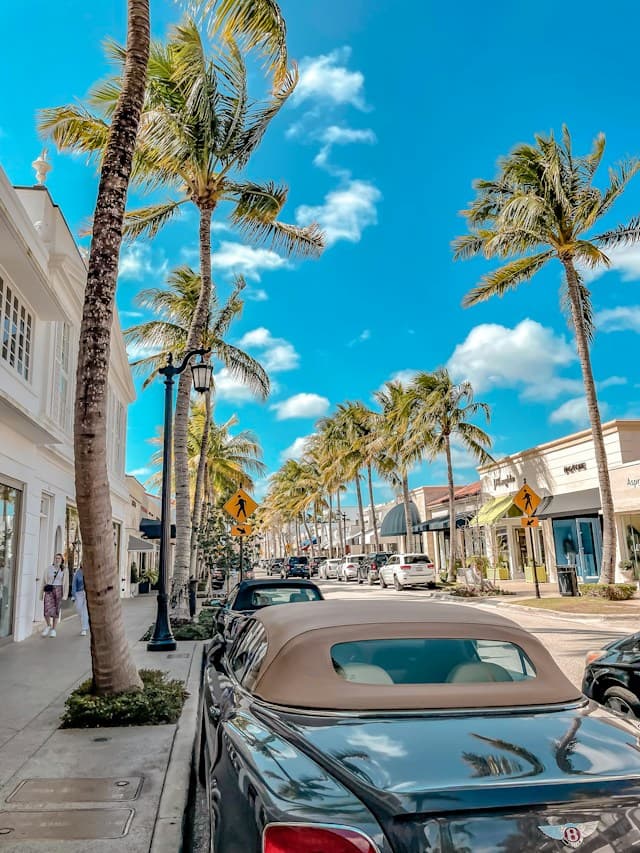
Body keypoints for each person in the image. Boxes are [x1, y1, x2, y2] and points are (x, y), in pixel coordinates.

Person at [41, 553, 68, 638]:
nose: (57, 560)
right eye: (56, 558)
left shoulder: (64, 570)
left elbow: (66, 583)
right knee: (46, 610)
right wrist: (41, 593)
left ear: (61, 560)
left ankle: (53, 629)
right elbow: (43, 581)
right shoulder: (48, 569)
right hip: (49, 590)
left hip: (58, 589)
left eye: (59, 558)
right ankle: (48, 625)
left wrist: (65, 595)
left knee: (56, 610)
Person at [71, 565, 90, 636]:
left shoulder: (90, 571)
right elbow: (74, 584)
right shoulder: (78, 573)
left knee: (85, 610)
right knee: (79, 609)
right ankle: (86, 621)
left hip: (88, 593)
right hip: (79, 593)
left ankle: (84, 628)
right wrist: (73, 595)